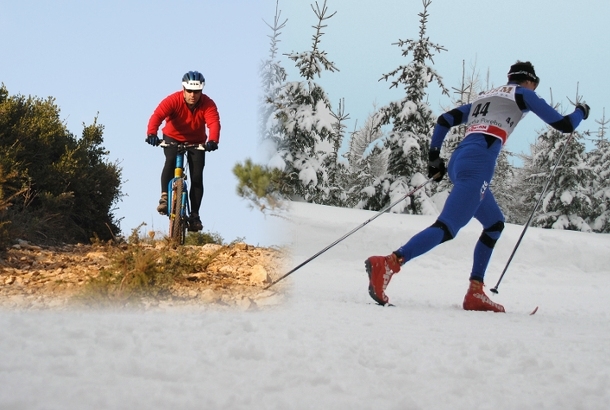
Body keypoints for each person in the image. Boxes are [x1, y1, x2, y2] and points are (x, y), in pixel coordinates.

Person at [365, 61, 590, 312]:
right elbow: (565, 125)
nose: (534, 89)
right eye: (535, 84)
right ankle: (389, 263)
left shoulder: (488, 96)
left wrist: (434, 158)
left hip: (461, 159)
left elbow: (445, 120)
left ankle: (475, 292)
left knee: (494, 224)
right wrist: (581, 111)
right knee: (447, 227)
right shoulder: (523, 94)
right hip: (479, 161)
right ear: (528, 81)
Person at [146, 70, 221, 232]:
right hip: (172, 137)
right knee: (170, 160)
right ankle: (165, 197)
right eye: (189, 91)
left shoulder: (208, 104)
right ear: (183, 89)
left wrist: (213, 141)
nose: (193, 95)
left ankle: (194, 215)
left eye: (197, 91)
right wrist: (152, 133)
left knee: (197, 175)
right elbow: (157, 115)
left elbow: (213, 122)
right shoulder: (173, 100)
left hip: (196, 141)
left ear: (202, 91)